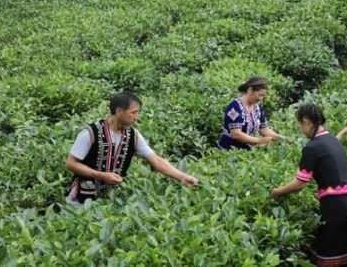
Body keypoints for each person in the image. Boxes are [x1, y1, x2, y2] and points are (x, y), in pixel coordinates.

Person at [65, 91, 199, 205]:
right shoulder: (90, 133)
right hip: (81, 199)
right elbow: (71, 163)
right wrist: (100, 175)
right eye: (133, 112)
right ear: (119, 111)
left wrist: (183, 177)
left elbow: (156, 161)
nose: (137, 117)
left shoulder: (133, 135)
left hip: (111, 200)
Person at [270, 104, 347, 267]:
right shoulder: (333, 140)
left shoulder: (312, 147)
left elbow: (300, 184)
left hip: (335, 205)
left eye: (299, 125)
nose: (300, 129)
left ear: (305, 121)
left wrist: (277, 191)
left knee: (330, 249)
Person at [217, 76, 283, 150]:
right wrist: (259, 140)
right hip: (229, 151)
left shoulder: (257, 108)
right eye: (260, 95)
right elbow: (236, 134)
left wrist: (283, 139)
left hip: (245, 150)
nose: (261, 99)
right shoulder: (234, 107)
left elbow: (264, 130)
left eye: (263, 96)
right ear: (250, 90)